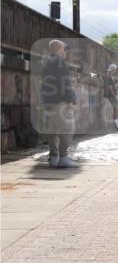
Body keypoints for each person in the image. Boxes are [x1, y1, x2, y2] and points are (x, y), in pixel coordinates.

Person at [39, 39, 79, 168]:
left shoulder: (45, 63)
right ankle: (63, 157)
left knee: (52, 130)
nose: (65, 52)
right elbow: (65, 82)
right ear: (59, 49)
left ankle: (54, 157)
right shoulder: (59, 62)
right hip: (60, 102)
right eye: (64, 49)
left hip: (48, 102)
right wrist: (71, 99)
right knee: (67, 129)